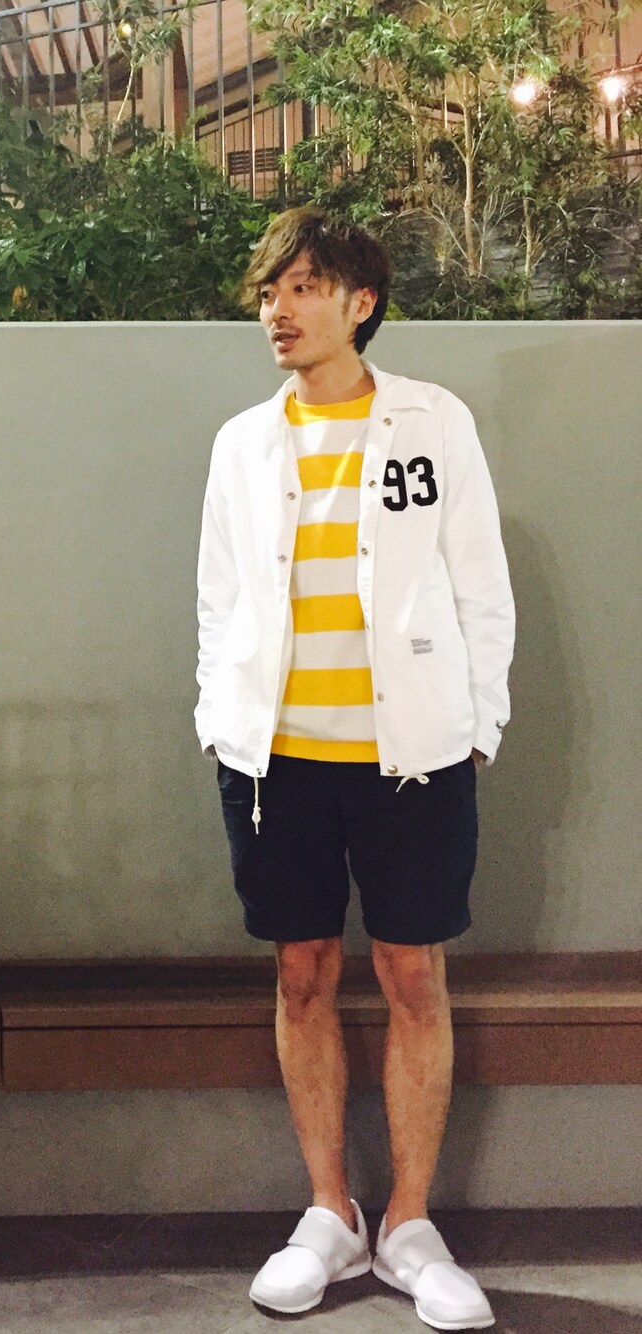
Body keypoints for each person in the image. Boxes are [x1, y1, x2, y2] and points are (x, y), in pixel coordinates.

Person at [195, 206, 514, 1331]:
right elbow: (219, 598)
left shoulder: (432, 422)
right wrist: (218, 716)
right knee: (301, 972)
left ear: (358, 302)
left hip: (412, 757)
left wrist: (477, 725)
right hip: (274, 761)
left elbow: (479, 585)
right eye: (268, 292)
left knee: (415, 974)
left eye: (301, 288)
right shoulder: (243, 443)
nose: (276, 311)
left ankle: (411, 1225)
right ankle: (329, 1213)